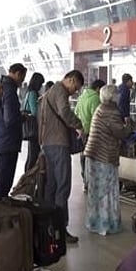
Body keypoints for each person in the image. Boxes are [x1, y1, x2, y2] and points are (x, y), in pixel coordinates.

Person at [39, 69, 85, 244]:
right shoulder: (60, 91)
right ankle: (60, 228)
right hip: (58, 144)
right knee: (63, 186)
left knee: (52, 185)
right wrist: (78, 125)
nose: (75, 92)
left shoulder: (49, 92)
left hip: (48, 144)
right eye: (76, 88)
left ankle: (49, 227)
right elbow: (65, 112)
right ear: (71, 80)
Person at [83, 84, 135, 236]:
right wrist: (129, 125)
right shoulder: (111, 111)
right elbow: (120, 132)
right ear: (112, 97)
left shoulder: (100, 108)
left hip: (93, 154)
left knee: (96, 190)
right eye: (117, 93)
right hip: (104, 156)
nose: (119, 95)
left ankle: (94, 221)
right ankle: (107, 224)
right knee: (107, 190)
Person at [0, 63, 27, 199]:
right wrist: (22, 117)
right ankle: (2, 214)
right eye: (22, 78)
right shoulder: (10, 91)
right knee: (3, 185)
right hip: (7, 144)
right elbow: (10, 119)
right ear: (17, 73)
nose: (22, 82)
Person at [75, 79, 105, 189]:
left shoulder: (82, 97)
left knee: (83, 156)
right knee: (92, 158)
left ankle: (85, 180)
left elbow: (76, 112)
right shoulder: (95, 98)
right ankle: (92, 181)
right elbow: (96, 118)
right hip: (92, 133)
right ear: (98, 88)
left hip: (82, 132)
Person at [22, 72, 45, 172]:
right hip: (33, 127)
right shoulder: (32, 93)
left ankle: (28, 175)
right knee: (33, 154)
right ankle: (28, 177)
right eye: (40, 84)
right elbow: (34, 111)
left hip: (30, 126)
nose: (41, 87)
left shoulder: (28, 92)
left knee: (32, 153)